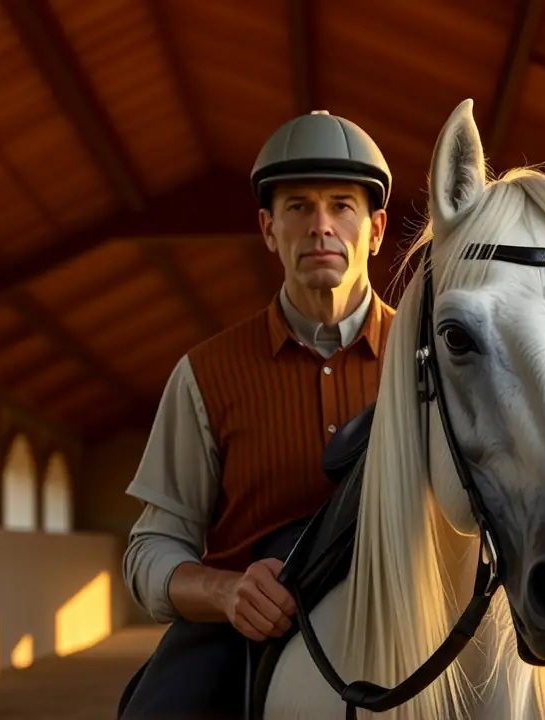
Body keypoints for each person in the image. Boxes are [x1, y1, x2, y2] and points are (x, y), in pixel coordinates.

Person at [117, 110, 397, 719]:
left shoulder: (435, 359)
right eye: (298, 207)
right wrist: (226, 591)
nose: (321, 226)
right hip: (243, 628)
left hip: (407, 614)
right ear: (269, 230)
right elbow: (150, 552)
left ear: (375, 229)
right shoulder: (204, 374)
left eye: (341, 206)